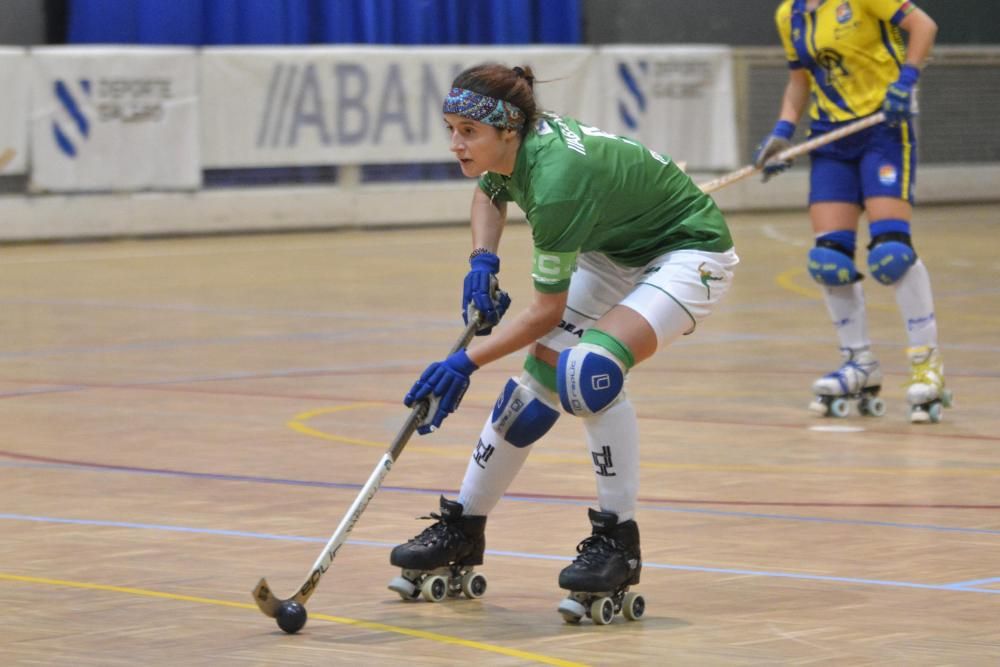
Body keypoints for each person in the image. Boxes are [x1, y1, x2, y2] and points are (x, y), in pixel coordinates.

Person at [385, 63, 738, 622]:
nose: (456, 143)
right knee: (535, 388)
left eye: (467, 132)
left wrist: (464, 360)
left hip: (687, 257)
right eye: (450, 128)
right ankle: (464, 527)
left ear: (509, 130)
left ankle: (618, 543)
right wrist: (483, 261)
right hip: (612, 254)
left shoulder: (556, 181)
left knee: (588, 372)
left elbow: (544, 310)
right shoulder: (511, 153)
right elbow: (489, 193)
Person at [754, 0, 950, 423]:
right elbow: (799, 80)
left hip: (883, 128)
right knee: (829, 260)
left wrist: (907, 79)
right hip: (830, 139)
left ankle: (926, 365)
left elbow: (924, 26)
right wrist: (783, 131)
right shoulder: (789, 14)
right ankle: (859, 363)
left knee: (891, 253)